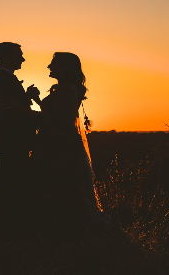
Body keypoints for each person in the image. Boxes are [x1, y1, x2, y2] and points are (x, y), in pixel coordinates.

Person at [28, 52, 111, 234]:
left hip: (59, 144)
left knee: (62, 183)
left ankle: (68, 228)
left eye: (53, 63)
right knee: (62, 184)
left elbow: (55, 119)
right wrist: (37, 100)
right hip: (59, 140)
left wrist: (26, 113)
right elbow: (56, 114)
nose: (49, 67)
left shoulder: (67, 90)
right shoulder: (68, 88)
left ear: (65, 67)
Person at [0, 42, 40, 231]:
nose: (22, 59)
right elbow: (7, 116)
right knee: (9, 184)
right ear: (7, 57)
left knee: (13, 183)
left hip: (14, 142)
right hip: (12, 143)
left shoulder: (4, 80)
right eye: (19, 55)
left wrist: (26, 99)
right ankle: (4, 225)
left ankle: (8, 223)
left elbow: (13, 108)